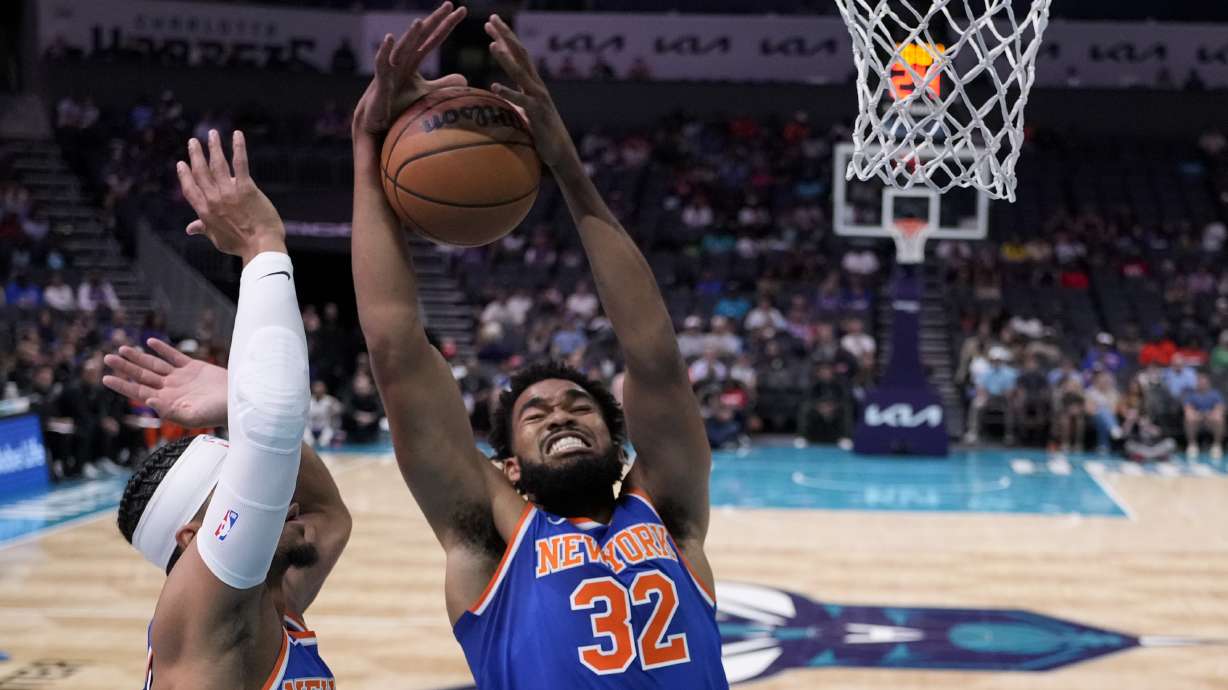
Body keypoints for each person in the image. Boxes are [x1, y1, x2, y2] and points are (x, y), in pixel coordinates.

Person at [350, 6, 727, 687]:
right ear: (508, 468)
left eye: (580, 407)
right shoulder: (488, 539)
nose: (561, 415)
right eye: (537, 414)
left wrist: (566, 166)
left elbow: (655, 361)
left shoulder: (668, 513)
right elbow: (397, 351)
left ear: (618, 443)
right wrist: (365, 147)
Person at [102, 130, 347, 689]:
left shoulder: (267, 603)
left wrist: (239, 404)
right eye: (239, 486)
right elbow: (271, 439)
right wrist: (262, 245)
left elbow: (330, 516)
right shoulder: (203, 621)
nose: (285, 499)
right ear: (194, 538)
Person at [963, 347, 1018, 445]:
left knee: (1011, 406)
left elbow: (1010, 391)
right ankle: (973, 433)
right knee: (976, 404)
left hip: (1003, 399)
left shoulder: (1010, 373)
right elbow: (980, 388)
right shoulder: (985, 372)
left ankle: (1009, 434)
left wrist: (1004, 394)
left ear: (1002, 361)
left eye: (998, 360)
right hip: (988, 397)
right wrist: (985, 396)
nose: (996, 362)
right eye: (994, 360)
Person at [1183, 372, 1225, 459]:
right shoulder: (1191, 394)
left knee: (1219, 418)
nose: (1202, 384)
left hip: (1210, 420)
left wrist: (1210, 415)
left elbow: (1220, 408)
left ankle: (1217, 446)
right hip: (1197, 420)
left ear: (1208, 383)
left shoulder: (1215, 394)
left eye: (1204, 382)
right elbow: (1187, 409)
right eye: (1200, 382)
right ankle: (1192, 445)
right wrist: (1199, 415)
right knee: (1189, 418)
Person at [1084, 371, 1122, 454]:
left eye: (1106, 381)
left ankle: (1103, 446)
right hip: (1093, 417)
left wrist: (1103, 409)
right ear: (1097, 381)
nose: (1104, 383)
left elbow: (1114, 409)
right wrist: (1100, 410)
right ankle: (1113, 427)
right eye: (1102, 381)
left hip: (1110, 417)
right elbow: (1089, 409)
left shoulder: (1113, 393)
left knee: (1103, 418)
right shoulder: (1090, 392)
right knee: (1102, 412)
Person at [305, 380, 343, 448]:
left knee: (324, 443)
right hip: (310, 426)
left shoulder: (330, 400)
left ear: (324, 388)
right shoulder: (307, 400)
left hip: (325, 427)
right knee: (308, 442)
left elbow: (340, 409)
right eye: (316, 387)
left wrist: (333, 410)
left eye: (320, 387)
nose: (318, 389)